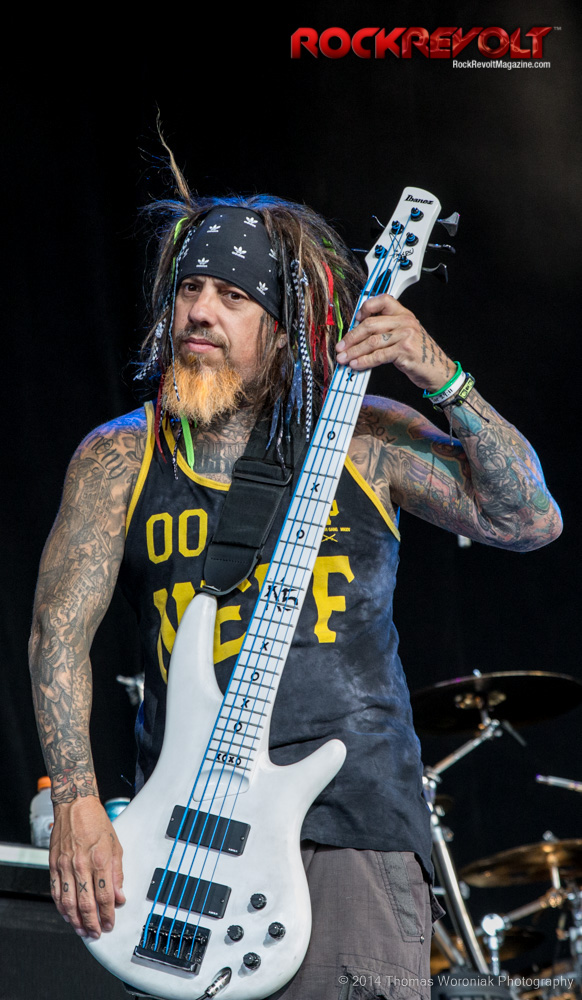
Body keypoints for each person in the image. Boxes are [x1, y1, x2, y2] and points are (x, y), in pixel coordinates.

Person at [29, 159, 562, 1000]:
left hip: (351, 833)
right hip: (184, 839)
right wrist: (76, 801)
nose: (201, 311)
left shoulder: (366, 439)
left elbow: (528, 519)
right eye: (190, 289)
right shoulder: (121, 455)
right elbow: (57, 634)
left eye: (233, 297)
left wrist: (441, 374)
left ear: (282, 328)